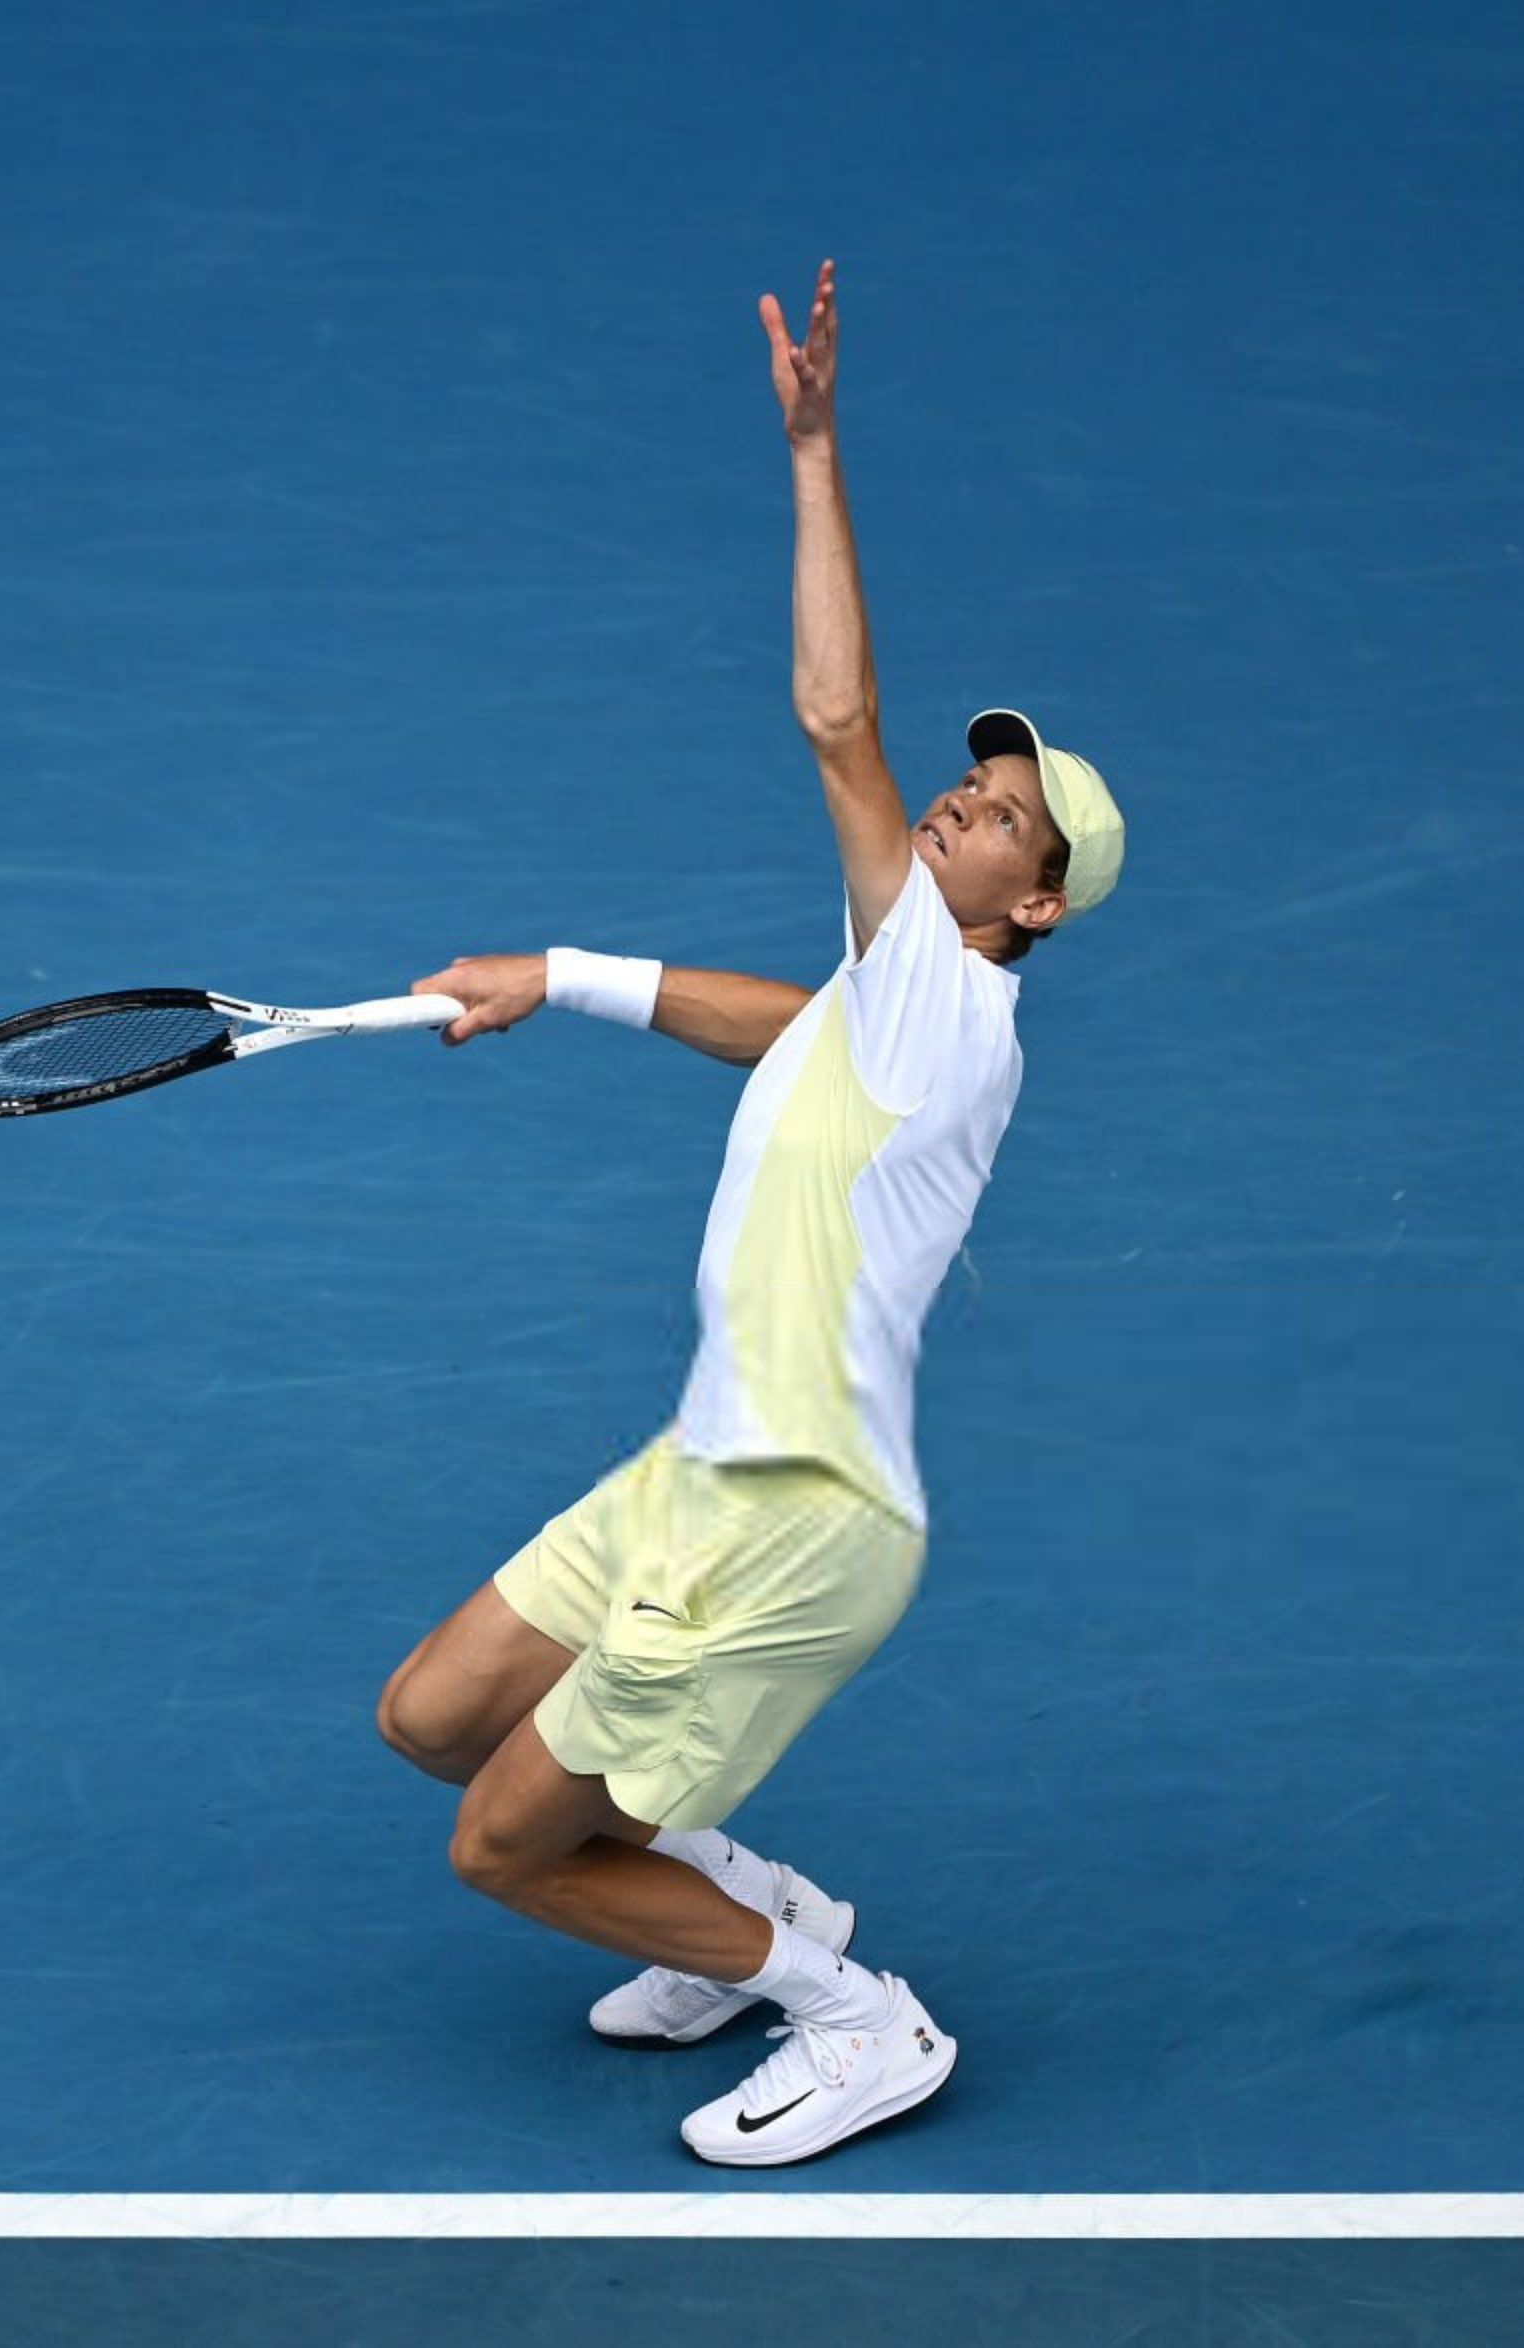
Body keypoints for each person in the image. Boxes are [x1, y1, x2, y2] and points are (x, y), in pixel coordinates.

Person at [384, 260, 1127, 2166]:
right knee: (436, 1712)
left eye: (1001, 817)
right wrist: (557, 968)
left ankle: (850, 2011)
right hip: (702, 1466)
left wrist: (811, 449)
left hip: (797, 1517)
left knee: (501, 1847)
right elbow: (778, 1031)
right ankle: (712, 1918)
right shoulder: (886, 1014)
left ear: (1031, 906)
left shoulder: (954, 994)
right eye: (971, 786)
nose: (963, 805)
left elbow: (832, 714)